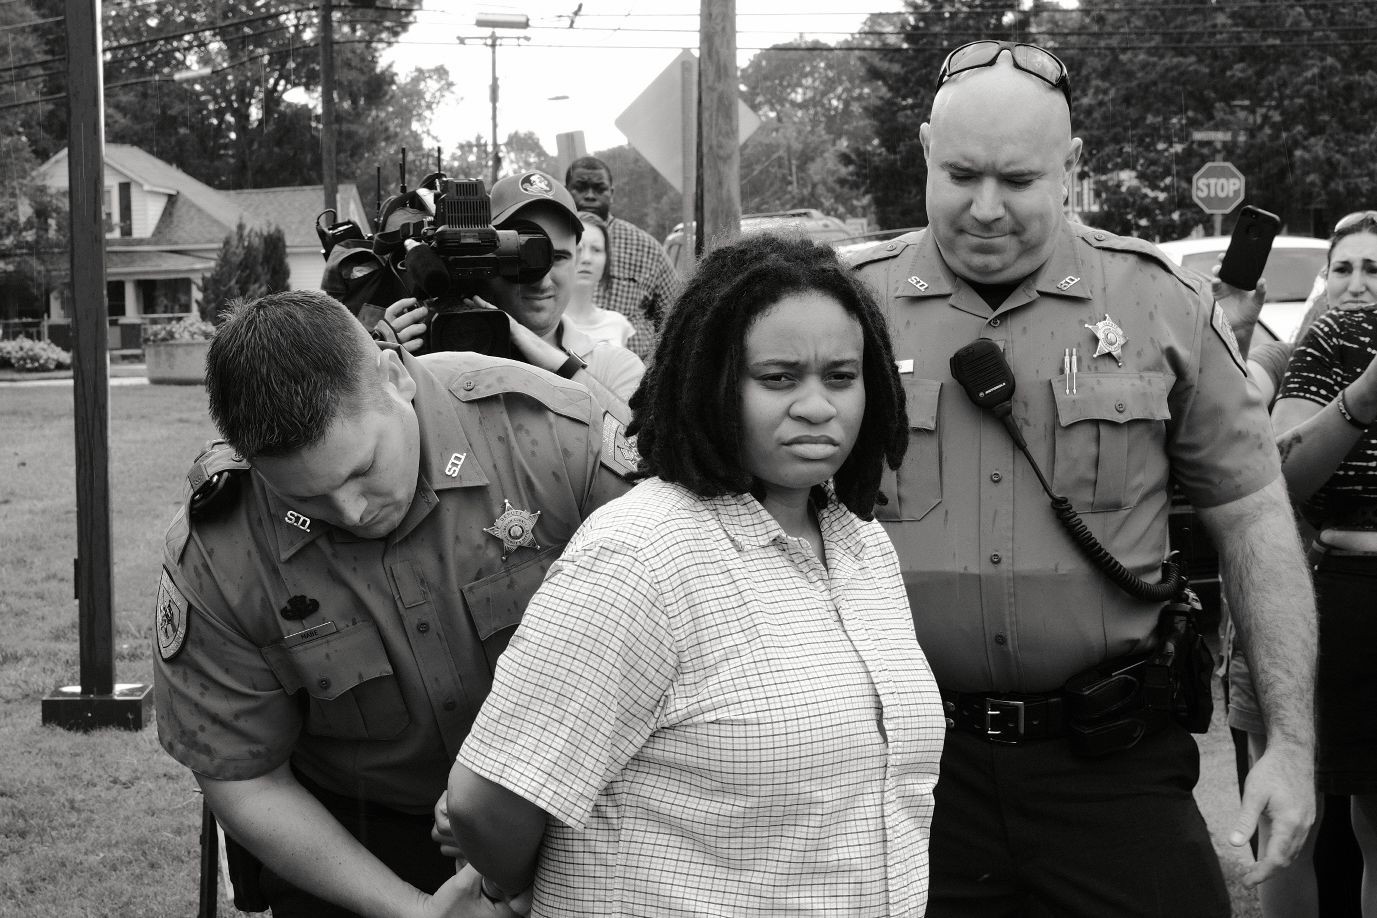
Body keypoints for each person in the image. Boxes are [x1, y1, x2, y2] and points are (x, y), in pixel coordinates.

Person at [847, 40, 1316, 917]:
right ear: (924, 153)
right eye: (960, 175)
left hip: (1111, 766)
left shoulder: (1159, 303)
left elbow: (1253, 518)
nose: (986, 208)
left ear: (1069, 168)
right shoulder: (846, 310)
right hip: (899, 770)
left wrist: (1289, 743)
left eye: (1018, 180)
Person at [442, 234, 946, 915]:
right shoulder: (638, 557)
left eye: (840, 376)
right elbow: (487, 802)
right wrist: (509, 890)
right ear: (709, 381)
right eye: (777, 378)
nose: (817, 406)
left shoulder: (863, 547)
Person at [151, 289, 634, 917]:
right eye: (307, 499)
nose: (350, 511)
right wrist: (418, 912)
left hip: (583, 798)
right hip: (356, 842)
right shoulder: (220, 553)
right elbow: (246, 778)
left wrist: (515, 796)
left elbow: (689, 628)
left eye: (362, 470)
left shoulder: (549, 433)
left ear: (394, 377)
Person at [1270, 210, 1377, 917]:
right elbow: (1281, 475)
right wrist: (1364, 395)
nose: (1358, 284)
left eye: (1374, 269)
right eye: (1344, 268)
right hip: (1352, 591)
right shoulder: (1329, 339)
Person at [385, 170, 644, 407]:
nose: (542, 280)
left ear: (577, 261)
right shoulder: (432, 350)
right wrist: (384, 367)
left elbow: (628, 439)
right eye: (524, 257)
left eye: (558, 258)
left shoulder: (614, 368)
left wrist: (557, 363)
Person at [564, 155, 678, 362]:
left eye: (599, 189)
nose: (590, 196)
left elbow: (676, 316)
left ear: (612, 194)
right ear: (565, 191)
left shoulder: (645, 248)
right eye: (580, 188)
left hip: (635, 368)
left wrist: (652, 366)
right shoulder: (552, 241)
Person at [563, 211, 637, 349]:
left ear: (606, 259)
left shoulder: (618, 325)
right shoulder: (545, 323)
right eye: (578, 248)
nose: (587, 258)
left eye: (596, 250)